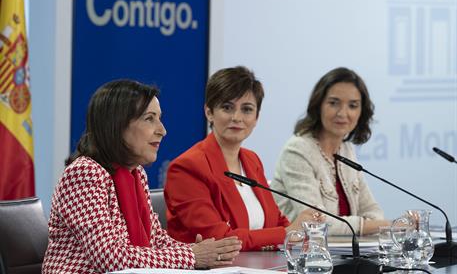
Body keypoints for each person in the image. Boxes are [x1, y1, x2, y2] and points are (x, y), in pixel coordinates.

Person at [42, 80, 242, 273]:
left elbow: (155, 240)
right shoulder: (85, 173)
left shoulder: (136, 173)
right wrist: (191, 256)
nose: (162, 130)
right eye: (149, 119)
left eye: (160, 118)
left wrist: (198, 252)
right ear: (117, 125)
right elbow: (110, 258)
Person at [164, 66, 323, 251]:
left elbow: (275, 221)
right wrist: (286, 233)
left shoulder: (251, 160)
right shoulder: (187, 167)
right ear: (209, 112)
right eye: (227, 107)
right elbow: (219, 239)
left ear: (256, 118)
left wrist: (301, 228)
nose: (237, 117)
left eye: (247, 109)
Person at [270, 67, 390, 236]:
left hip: (342, 253)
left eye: (353, 105)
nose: (343, 113)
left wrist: (378, 223)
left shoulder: (346, 149)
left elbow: (372, 210)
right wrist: (383, 225)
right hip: (303, 255)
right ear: (318, 105)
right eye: (333, 103)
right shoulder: (297, 150)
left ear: (361, 111)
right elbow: (316, 222)